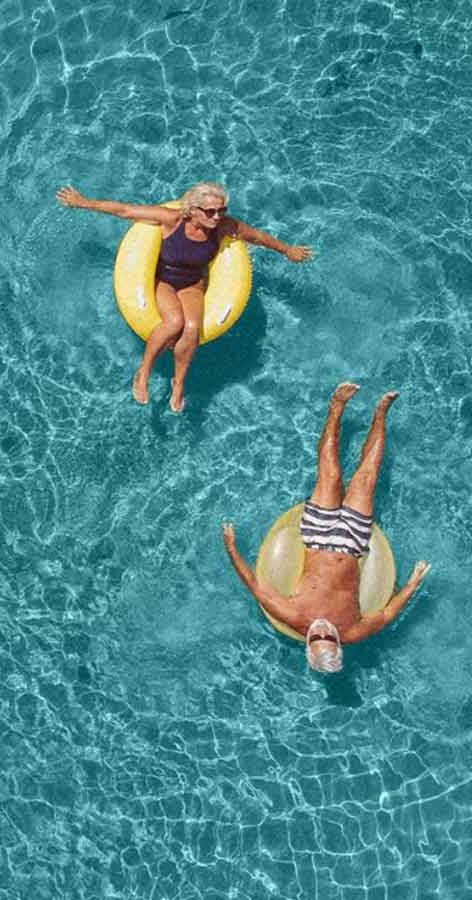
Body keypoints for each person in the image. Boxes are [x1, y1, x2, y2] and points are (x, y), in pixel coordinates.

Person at [221, 383, 431, 673]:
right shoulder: (353, 631)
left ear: (307, 643)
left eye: (317, 637)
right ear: (338, 643)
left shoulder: (293, 616)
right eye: (328, 637)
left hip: (317, 537)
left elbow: (254, 584)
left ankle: (336, 407)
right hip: (354, 543)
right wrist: (413, 582)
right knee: (367, 476)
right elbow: (386, 614)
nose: (323, 630)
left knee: (330, 472)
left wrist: (231, 546)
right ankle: (381, 412)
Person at [56, 181, 315, 412]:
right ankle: (143, 371)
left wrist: (287, 250)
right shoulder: (172, 220)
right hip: (163, 281)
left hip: (192, 284)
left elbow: (258, 236)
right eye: (210, 211)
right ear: (192, 210)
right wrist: (83, 202)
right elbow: (125, 210)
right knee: (174, 323)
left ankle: (178, 383)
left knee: (192, 329)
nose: (217, 216)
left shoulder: (224, 226)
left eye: (222, 210)